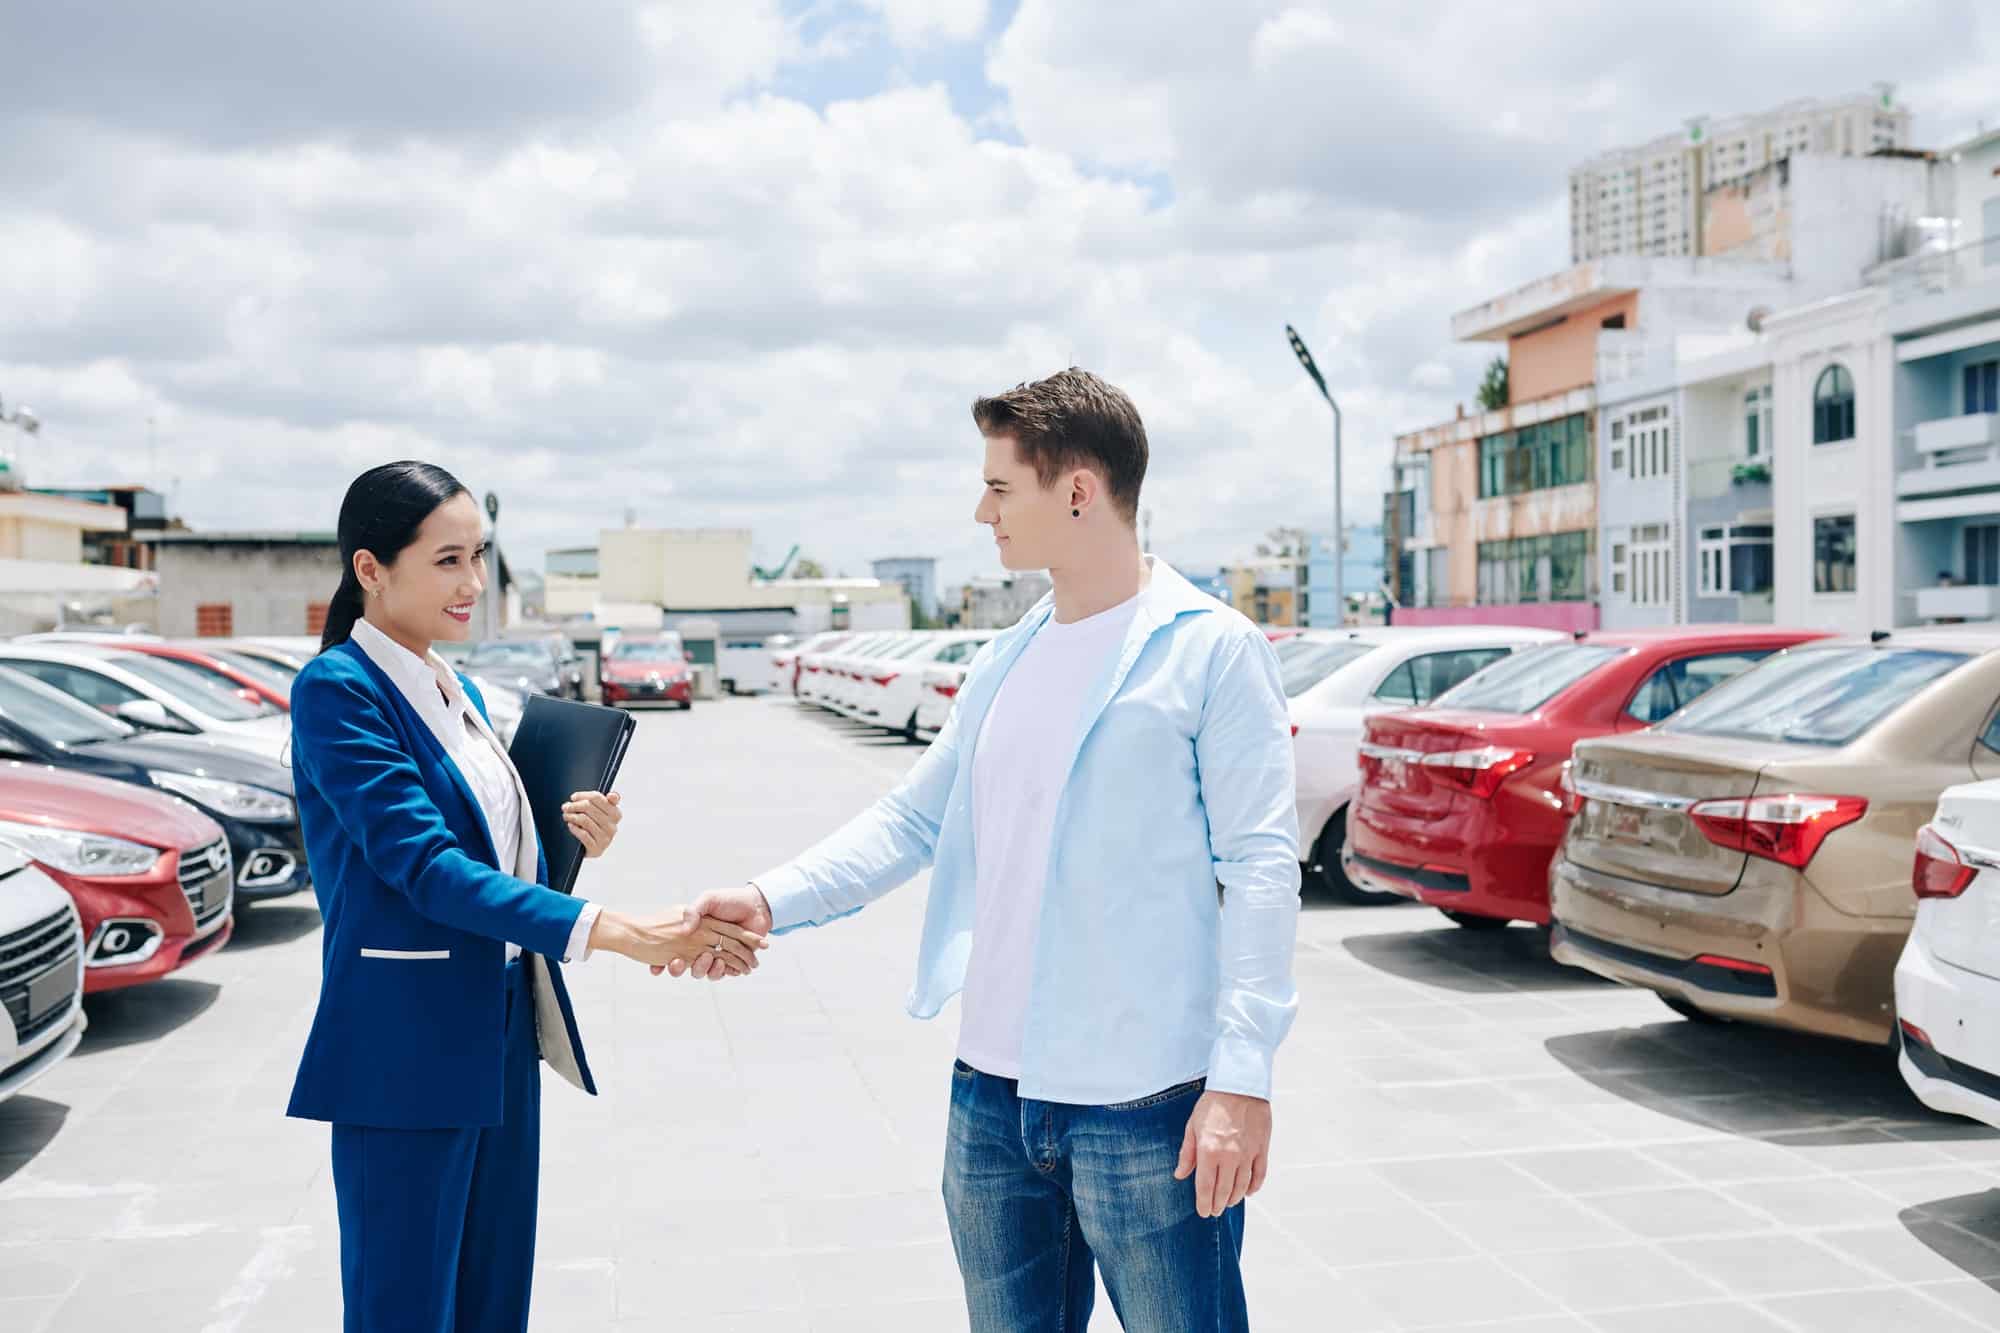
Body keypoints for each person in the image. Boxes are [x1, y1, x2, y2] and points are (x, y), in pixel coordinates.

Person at [685, 370, 1301, 1331]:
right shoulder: (1005, 658)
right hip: (993, 1099)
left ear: (1079, 491)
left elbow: (1262, 870)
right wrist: (770, 898)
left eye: (1001, 487)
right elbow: (914, 820)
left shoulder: (1209, 651)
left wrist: (1243, 1079)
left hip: (1149, 1104)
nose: (982, 511)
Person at [285, 461, 767, 1332]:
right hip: (403, 1047)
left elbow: (500, 870)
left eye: (480, 556)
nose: (474, 583)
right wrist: (614, 932)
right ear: (369, 569)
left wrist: (567, 842)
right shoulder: (338, 693)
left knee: (494, 1297)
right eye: (447, 560)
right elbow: (427, 869)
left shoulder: (455, 689)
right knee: (404, 1307)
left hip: (498, 1028)